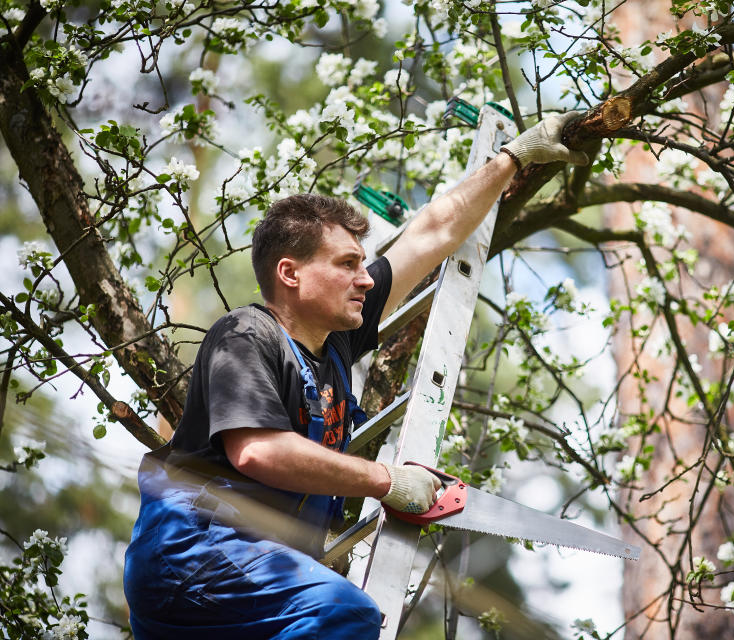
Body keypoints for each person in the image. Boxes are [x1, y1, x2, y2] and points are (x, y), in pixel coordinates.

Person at [122, 111, 589, 639]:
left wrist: (515, 156)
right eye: (347, 264)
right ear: (290, 273)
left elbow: (432, 233)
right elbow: (258, 451)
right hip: (196, 554)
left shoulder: (337, 343)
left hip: (245, 573)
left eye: (364, 264)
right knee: (345, 613)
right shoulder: (248, 335)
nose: (366, 279)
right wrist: (387, 482)